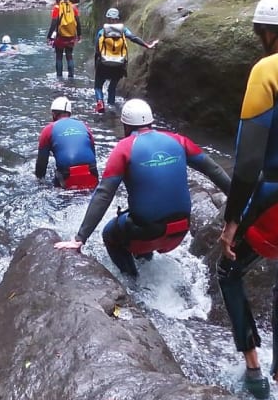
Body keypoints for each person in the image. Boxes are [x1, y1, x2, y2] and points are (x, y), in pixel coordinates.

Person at [54, 99, 231, 278]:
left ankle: (133, 283)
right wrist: (240, 202)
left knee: (109, 234)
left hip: (147, 232)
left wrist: (80, 238)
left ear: (126, 126)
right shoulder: (178, 140)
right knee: (139, 219)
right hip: (181, 229)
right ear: (151, 122)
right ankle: (147, 263)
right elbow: (214, 170)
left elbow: (104, 194)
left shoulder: (124, 148)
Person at [216, 0, 278, 400]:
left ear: (266, 33)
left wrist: (231, 220)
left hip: (272, 196)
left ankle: (254, 368)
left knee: (229, 270)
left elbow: (247, 162)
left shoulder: (267, 70)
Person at [94, 8, 157, 113]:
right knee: (112, 87)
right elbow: (134, 38)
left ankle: (100, 102)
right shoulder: (124, 30)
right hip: (119, 65)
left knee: (98, 86)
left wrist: (97, 65)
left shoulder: (102, 32)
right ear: (117, 19)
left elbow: (97, 50)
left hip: (103, 64)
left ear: (107, 19)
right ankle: (111, 106)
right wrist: (147, 45)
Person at [35, 96, 98, 189]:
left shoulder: (48, 129)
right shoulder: (84, 126)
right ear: (69, 113)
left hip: (66, 174)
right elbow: (92, 152)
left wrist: (39, 181)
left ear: (53, 114)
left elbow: (42, 162)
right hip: (91, 171)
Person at [47, 0, 81, 79]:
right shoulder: (72, 7)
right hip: (71, 36)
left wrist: (49, 36)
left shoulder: (56, 8)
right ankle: (71, 76)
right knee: (69, 56)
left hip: (60, 36)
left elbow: (54, 23)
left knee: (59, 56)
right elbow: (77, 21)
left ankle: (59, 77)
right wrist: (79, 34)